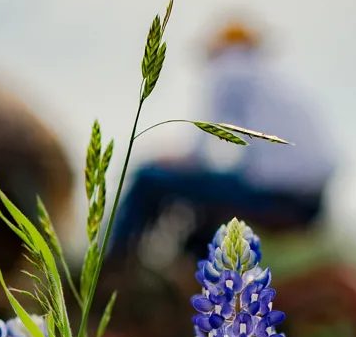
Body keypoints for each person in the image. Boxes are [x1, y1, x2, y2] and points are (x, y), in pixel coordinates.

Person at [105, 19, 338, 262]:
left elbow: (200, 150)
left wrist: (168, 161)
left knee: (149, 177)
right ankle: (195, 266)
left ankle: (115, 263)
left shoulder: (230, 69)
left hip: (275, 195)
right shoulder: (275, 79)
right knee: (209, 196)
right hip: (313, 202)